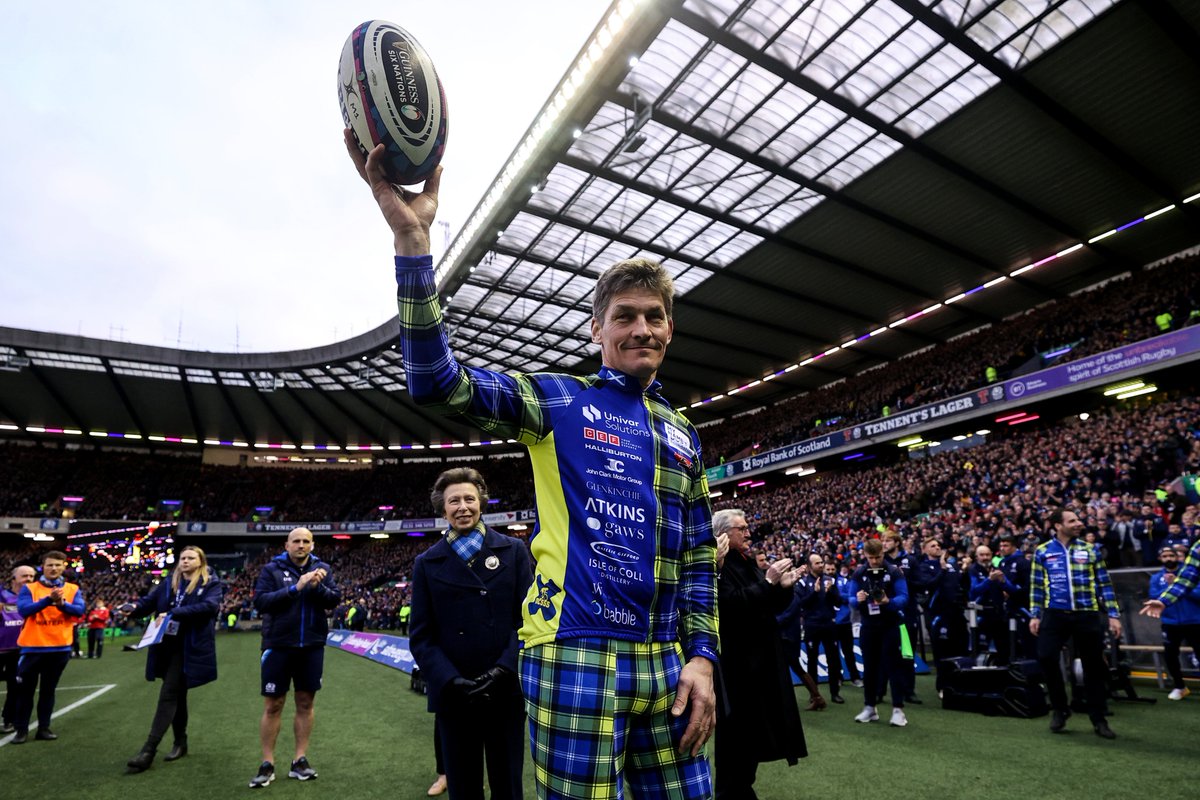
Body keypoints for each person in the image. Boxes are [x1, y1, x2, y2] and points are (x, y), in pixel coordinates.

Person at [348, 141, 719, 798]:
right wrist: (413, 242)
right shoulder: (559, 401)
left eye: (654, 317)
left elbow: (696, 561)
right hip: (574, 651)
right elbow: (436, 382)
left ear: (670, 329)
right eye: (625, 316)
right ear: (596, 331)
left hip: (667, 664)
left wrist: (703, 659)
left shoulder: (683, 431)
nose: (642, 328)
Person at [409, 467, 532, 800]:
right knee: (463, 788)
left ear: (481, 502)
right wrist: (449, 680)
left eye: (468, 498)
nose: (462, 507)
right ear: (442, 508)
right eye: (453, 501)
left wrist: (504, 667)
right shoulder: (426, 562)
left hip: (504, 690)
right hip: (454, 695)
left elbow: (528, 621)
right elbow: (420, 635)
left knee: (508, 785)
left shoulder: (514, 551)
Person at [713, 509, 805, 800]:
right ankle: (731, 791)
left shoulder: (746, 562)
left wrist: (783, 589)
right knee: (737, 738)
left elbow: (766, 605)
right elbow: (730, 605)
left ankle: (742, 788)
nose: (748, 533)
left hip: (760, 664)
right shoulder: (719, 566)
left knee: (753, 735)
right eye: (741, 529)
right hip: (738, 667)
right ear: (724, 533)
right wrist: (768, 582)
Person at [249, 527, 341, 788]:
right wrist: (296, 588)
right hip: (278, 646)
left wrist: (316, 587)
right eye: (296, 541)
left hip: (311, 645)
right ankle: (267, 763)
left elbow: (334, 600)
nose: (301, 545)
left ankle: (299, 760)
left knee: (305, 702)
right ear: (287, 545)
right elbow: (261, 602)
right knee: (273, 704)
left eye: (306, 541)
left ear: (312, 545)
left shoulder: (322, 569)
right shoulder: (272, 570)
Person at [123, 546, 224, 772]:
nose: (185, 561)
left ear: (201, 561)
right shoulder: (169, 582)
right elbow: (148, 603)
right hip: (165, 645)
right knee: (178, 694)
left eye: (190, 558)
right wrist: (132, 608)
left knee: (169, 693)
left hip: (189, 647)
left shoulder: (210, 583)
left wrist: (173, 614)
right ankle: (181, 742)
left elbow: (209, 607)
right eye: (182, 558)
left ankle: (149, 749)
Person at [1029, 508, 1121, 739]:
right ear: (1058, 525)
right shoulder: (1042, 552)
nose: (1079, 523)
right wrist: (1034, 614)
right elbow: (1037, 586)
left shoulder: (1091, 550)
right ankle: (1060, 708)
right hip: (1054, 614)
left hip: (1087, 614)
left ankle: (1098, 717)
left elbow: (1105, 584)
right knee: (1046, 656)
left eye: (1079, 519)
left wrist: (1113, 614)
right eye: (1073, 520)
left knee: (1094, 666)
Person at [10, 551, 85, 744]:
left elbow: (79, 611)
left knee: (48, 691)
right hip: (33, 648)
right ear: (42, 567)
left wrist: (61, 604)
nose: (54, 568)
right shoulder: (30, 588)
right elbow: (24, 610)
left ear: (63, 567)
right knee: (25, 692)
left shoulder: (72, 589)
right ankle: (21, 730)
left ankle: (43, 728)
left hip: (59, 648)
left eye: (58, 565)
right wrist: (48, 600)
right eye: (50, 565)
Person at [849, 538, 910, 727]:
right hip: (868, 625)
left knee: (893, 667)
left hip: (890, 624)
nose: (875, 561)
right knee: (869, 668)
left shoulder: (893, 571)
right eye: (871, 558)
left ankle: (898, 710)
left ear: (883, 554)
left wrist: (888, 602)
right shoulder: (859, 572)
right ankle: (870, 707)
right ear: (865, 556)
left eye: (878, 557)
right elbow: (850, 598)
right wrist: (857, 598)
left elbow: (904, 597)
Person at [908, 538, 967, 696]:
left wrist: (964, 572)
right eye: (932, 546)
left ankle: (961, 683)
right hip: (937, 613)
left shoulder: (952, 565)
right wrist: (942, 569)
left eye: (938, 545)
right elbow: (930, 585)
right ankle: (943, 686)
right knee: (942, 651)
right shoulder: (923, 567)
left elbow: (959, 584)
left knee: (960, 647)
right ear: (925, 550)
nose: (937, 547)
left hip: (956, 611)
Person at [1144, 544, 1200, 699]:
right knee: (1170, 655)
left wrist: (1178, 585)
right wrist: (1170, 588)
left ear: (1178, 557)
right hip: (1171, 622)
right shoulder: (1156, 578)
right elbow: (1154, 596)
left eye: (1171, 555)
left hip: (1195, 620)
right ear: (1160, 559)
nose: (1168, 559)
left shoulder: (1190, 572)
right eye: (1165, 556)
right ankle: (1179, 686)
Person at [796, 552, 844, 705]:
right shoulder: (803, 583)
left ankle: (835, 693)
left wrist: (830, 593)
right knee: (812, 661)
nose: (821, 565)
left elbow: (839, 602)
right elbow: (801, 604)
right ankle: (814, 694)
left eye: (821, 562)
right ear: (810, 566)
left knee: (834, 660)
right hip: (812, 625)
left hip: (829, 625)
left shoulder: (830, 580)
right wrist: (814, 593)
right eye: (817, 563)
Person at [1, 564, 36, 734]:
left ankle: (9, 720)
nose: (28, 579)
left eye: (31, 576)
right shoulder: (2, 595)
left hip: (20, 650)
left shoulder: (35, 598)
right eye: (24, 576)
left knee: (15, 687)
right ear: (14, 578)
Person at [833, 561, 863, 688]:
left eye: (831, 568)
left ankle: (854, 677)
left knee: (848, 651)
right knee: (833, 653)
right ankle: (837, 678)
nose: (830, 571)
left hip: (845, 622)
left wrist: (837, 595)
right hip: (832, 622)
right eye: (827, 569)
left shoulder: (847, 581)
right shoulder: (823, 582)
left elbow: (850, 596)